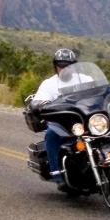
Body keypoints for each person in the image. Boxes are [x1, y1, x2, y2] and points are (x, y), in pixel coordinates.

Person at [30, 48, 93, 184]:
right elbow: (39, 101)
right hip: (61, 123)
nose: (64, 69)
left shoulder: (86, 79)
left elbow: (99, 93)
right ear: (55, 66)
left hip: (85, 119)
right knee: (51, 134)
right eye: (61, 65)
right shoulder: (49, 84)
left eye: (68, 66)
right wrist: (39, 104)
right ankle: (57, 173)